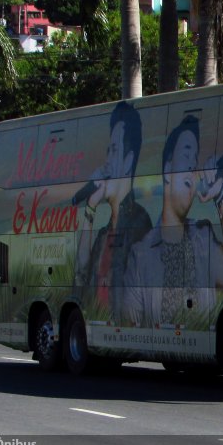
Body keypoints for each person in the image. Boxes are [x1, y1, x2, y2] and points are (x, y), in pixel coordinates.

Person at [123, 115, 223, 327]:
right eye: (186, 155)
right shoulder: (139, 255)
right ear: (168, 170)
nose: (192, 167)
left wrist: (222, 195)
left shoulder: (203, 238)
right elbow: (130, 326)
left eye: (195, 160)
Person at [74, 101, 152, 323]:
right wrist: (89, 208)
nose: (106, 162)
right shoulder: (102, 235)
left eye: (114, 151)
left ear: (128, 162)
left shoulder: (140, 225)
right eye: (107, 151)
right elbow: (80, 275)